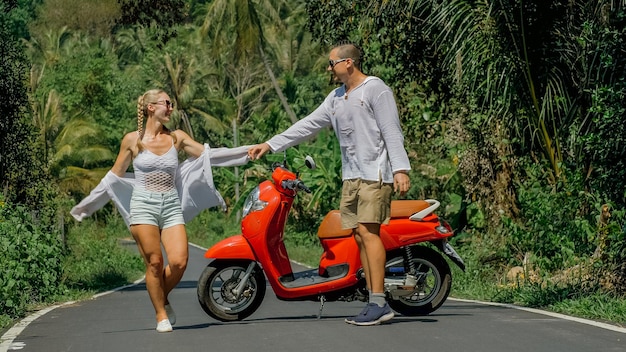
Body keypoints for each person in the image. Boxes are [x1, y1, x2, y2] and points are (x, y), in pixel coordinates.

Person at [247, 43, 411, 326]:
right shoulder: (336, 98)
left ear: (349, 63)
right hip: (352, 176)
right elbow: (307, 124)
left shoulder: (375, 88)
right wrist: (270, 144)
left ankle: (379, 302)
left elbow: (391, 130)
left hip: (375, 173)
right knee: (359, 235)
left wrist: (400, 169)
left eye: (332, 62)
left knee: (368, 233)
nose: (328, 68)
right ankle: (373, 300)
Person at [71, 89, 250, 333]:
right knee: (154, 262)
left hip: (171, 205)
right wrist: (87, 206)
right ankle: (161, 313)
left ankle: (159, 294)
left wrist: (247, 152)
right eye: (168, 103)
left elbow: (210, 156)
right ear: (151, 107)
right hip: (143, 205)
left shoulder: (177, 138)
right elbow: (113, 177)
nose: (172, 107)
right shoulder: (132, 140)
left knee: (179, 262)